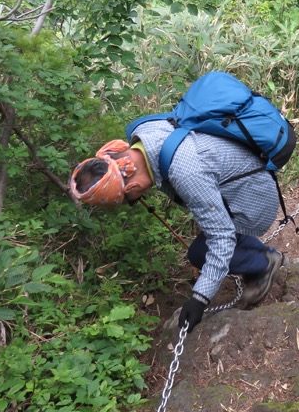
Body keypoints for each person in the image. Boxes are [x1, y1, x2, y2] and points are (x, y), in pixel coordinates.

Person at [69, 124, 285, 334]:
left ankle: (264, 263)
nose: (137, 199)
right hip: (244, 176)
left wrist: (200, 298)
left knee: (200, 252)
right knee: (210, 236)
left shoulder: (185, 172)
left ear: (132, 187)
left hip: (254, 197)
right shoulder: (144, 133)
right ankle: (254, 255)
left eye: (130, 198)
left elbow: (221, 236)